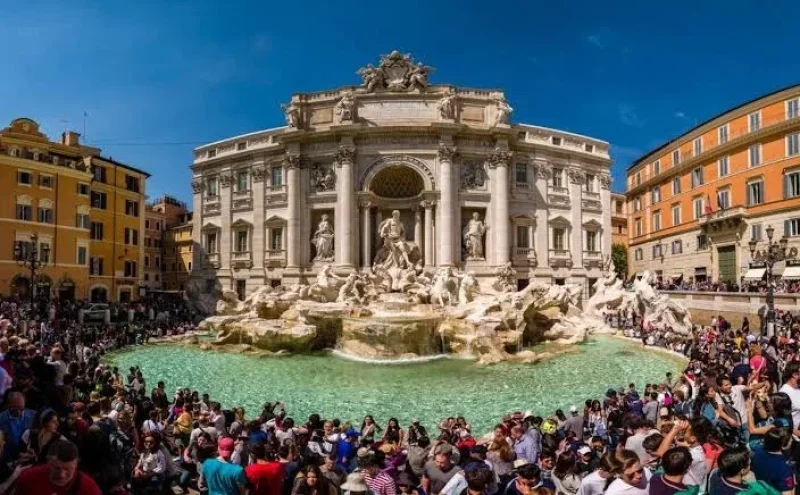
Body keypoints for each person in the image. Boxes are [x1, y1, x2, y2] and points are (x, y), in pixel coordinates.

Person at [14, 439, 101, 495]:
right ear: (48, 462)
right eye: (56, 468)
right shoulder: (27, 479)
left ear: (76, 465)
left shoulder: (89, 488)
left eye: (68, 469)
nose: (61, 475)